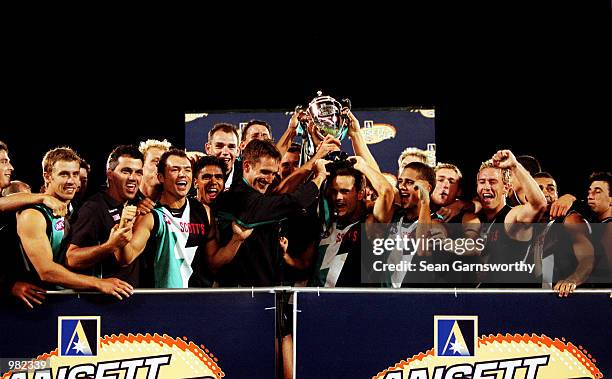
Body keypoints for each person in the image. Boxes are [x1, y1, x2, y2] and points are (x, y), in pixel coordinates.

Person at [116, 149, 249, 288]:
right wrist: (123, 230)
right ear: (161, 177)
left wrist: (237, 239)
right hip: (160, 302)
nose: (182, 174)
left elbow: (213, 263)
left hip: (197, 300)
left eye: (187, 170)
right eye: (175, 169)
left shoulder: (204, 211)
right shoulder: (150, 215)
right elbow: (126, 257)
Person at [15, 147, 133, 298]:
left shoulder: (75, 209)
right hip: (39, 304)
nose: (71, 181)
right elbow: (46, 271)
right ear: (47, 176)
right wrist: (98, 283)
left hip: (68, 302)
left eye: (75, 174)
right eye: (64, 174)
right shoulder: (33, 215)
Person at [213, 139, 329, 286]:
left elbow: (286, 188)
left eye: (274, 174)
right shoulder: (238, 198)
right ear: (247, 166)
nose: (269, 180)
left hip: (265, 292)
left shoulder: (258, 194)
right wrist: (320, 177)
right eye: (265, 172)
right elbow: (295, 202)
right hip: (241, 296)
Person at [464, 150, 547, 285]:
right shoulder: (476, 217)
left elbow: (539, 205)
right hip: (484, 299)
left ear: (506, 188)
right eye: (482, 182)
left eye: (493, 182)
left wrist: (514, 165)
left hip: (512, 300)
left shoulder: (512, 216)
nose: (486, 187)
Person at [65, 145, 146, 286]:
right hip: (102, 302)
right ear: (110, 174)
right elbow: (71, 258)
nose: (133, 178)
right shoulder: (94, 207)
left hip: (133, 300)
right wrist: (109, 246)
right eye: (126, 171)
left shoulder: (137, 204)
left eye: (138, 172)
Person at [309, 156, 394, 287]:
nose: (338, 197)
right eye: (335, 191)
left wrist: (363, 167)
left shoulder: (370, 225)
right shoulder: (328, 222)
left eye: (345, 191)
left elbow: (387, 193)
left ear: (360, 194)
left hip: (355, 304)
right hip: (318, 302)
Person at [531, 172, 594, 297]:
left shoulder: (569, 220)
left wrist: (572, 280)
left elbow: (587, 259)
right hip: (534, 300)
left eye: (551, 189)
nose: (545, 193)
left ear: (557, 195)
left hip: (564, 299)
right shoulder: (523, 224)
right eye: (539, 189)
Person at [205, 123, 240, 190]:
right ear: (208, 149)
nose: (225, 152)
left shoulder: (246, 179)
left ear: (238, 151)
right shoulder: (194, 177)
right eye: (219, 146)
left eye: (231, 147)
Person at [193, 155, 227, 224]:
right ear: (195, 182)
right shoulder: (185, 209)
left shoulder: (230, 211)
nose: (213, 182)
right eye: (207, 177)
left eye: (218, 177)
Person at [138, 138, 172, 204]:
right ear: (141, 165)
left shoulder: (173, 201)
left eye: (165, 163)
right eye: (156, 161)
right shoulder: (126, 200)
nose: (161, 166)